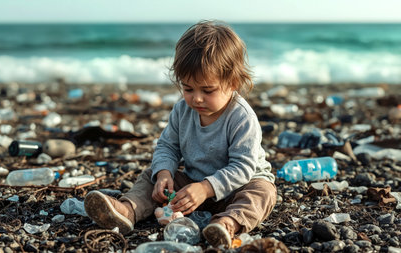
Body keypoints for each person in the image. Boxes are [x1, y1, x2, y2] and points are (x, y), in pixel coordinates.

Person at [84, 20, 277, 248]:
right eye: (188, 89)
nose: (196, 98)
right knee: (151, 176)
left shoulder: (241, 117)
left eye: (207, 90)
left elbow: (242, 168)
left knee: (262, 192)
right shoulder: (182, 110)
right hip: (192, 184)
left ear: (233, 82)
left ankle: (226, 224)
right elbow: (168, 146)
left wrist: (206, 188)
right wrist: (164, 172)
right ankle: (127, 210)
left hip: (238, 186)